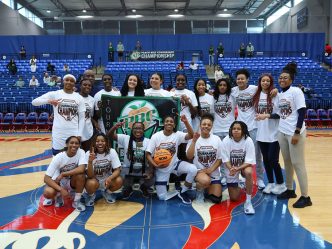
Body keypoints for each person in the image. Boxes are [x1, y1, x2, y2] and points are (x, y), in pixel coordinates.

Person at [276, 62, 312, 208]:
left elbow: (302, 111)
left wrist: (297, 132)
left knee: (298, 163)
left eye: (285, 78)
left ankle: (306, 197)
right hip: (282, 132)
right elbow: (280, 113)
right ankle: (290, 190)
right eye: (280, 77)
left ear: (291, 80)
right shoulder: (280, 94)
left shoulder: (296, 91)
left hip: (294, 133)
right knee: (287, 162)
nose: (282, 79)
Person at [232, 68, 272, 189]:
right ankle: (242, 177)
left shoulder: (255, 89)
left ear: (247, 79)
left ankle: (259, 178)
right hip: (240, 128)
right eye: (238, 78)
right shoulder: (233, 91)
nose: (240, 80)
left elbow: (268, 89)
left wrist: (274, 90)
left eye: (242, 78)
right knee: (239, 154)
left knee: (257, 154)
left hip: (254, 127)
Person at [146, 115, 198, 204]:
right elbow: (148, 154)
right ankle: (177, 193)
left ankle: (183, 191)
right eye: (167, 121)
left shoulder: (177, 135)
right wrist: (155, 165)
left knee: (193, 169)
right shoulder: (156, 136)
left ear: (174, 125)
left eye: (171, 121)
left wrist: (185, 122)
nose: (169, 123)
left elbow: (191, 135)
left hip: (175, 164)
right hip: (161, 168)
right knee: (161, 197)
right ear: (164, 124)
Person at [32, 74, 86, 155]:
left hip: (73, 132)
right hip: (58, 132)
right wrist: (49, 101)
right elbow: (34, 102)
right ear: (63, 81)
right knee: (57, 156)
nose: (69, 82)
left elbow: (82, 118)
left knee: (73, 157)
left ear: (74, 83)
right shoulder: (55, 94)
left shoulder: (79, 98)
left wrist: (79, 134)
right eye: (67, 80)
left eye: (71, 81)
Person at [253, 74, 286, 195]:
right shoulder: (256, 95)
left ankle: (281, 184)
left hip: (274, 133)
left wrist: (266, 115)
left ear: (271, 82)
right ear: (260, 82)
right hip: (261, 133)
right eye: (263, 80)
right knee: (266, 160)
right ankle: (271, 183)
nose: (265, 82)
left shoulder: (275, 95)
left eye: (268, 81)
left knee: (273, 160)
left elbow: (280, 114)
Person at [108, 121, 153, 199]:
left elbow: (151, 158)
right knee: (120, 175)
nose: (138, 130)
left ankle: (143, 187)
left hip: (143, 168)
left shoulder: (148, 141)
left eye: (140, 128)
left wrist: (150, 172)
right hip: (128, 168)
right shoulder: (125, 138)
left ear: (143, 130)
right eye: (135, 128)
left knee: (153, 176)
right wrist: (115, 127)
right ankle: (128, 188)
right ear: (132, 130)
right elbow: (109, 136)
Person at [42, 136, 86, 212]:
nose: (74, 145)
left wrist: (63, 174)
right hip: (58, 182)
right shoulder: (58, 157)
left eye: (76, 143)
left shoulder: (81, 152)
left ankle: (76, 201)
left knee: (81, 175)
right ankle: (58, 196)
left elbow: (81, 168)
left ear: (79, 145)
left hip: (70, 181)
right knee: (48, 193)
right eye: (71, 143)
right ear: (66, 144)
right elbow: (46, 178)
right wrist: (61, 190)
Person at [221, 121, 256, 215]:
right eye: (234, 129)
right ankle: (239, 185)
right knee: (234, 198)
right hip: (231, 167)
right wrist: (231, 168)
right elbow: (225, 159)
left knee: (248, 172)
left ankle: (248, 202)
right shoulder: (226, 140)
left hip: (243, 166)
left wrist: (238, 168)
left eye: (238, 129)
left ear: (243, 130)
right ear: (231, 130)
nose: (236, 130)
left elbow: (249, 161)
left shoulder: (248, 140)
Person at [186, 114, 223, 203]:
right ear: (200, 125)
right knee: (205, 180)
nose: (206, 126)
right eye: (204, 124)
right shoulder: (194, 138)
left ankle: (206, 187)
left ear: (211, 126)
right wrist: (194, 141)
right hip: (200, 171)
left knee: (216, 199)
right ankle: (199, 191)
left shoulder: (217, 139)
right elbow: (189, 156)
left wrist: (210, 170)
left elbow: (220, 159)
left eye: (209, 125)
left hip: (213, 172)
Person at [84, 134, 123, 206]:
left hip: (107, 180)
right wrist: (90, 161)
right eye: (97, 141)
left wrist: (110, 178)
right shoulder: (88, 154)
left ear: (106, 142)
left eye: (102, 141)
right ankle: (91, 196)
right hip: (94, 180)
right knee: (90, 183)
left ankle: (107, 193)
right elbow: (89, 176)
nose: (100, 143)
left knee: (119, 180)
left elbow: (117, 170)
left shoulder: (112, 151)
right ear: (94, 143)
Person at [213, 78, 236, 185]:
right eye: (220, 85)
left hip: (229, 129)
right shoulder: (212, 97)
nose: (222, 87)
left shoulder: (232, 96)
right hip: (217, 129)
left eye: (224, 85)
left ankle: (231, 174)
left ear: (227, 87)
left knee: (230, 154)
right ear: (217, 86)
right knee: (220, 155)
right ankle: (222, 175)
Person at [79, 79, 97, 151]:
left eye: (89, 85)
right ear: (80, 86)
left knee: (87, 153)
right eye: (85, 85)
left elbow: (90, 116)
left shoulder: (92, 100)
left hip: (88, 131)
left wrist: (95, 123)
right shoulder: (75, 96)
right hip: (76, 131)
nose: (87, 87)